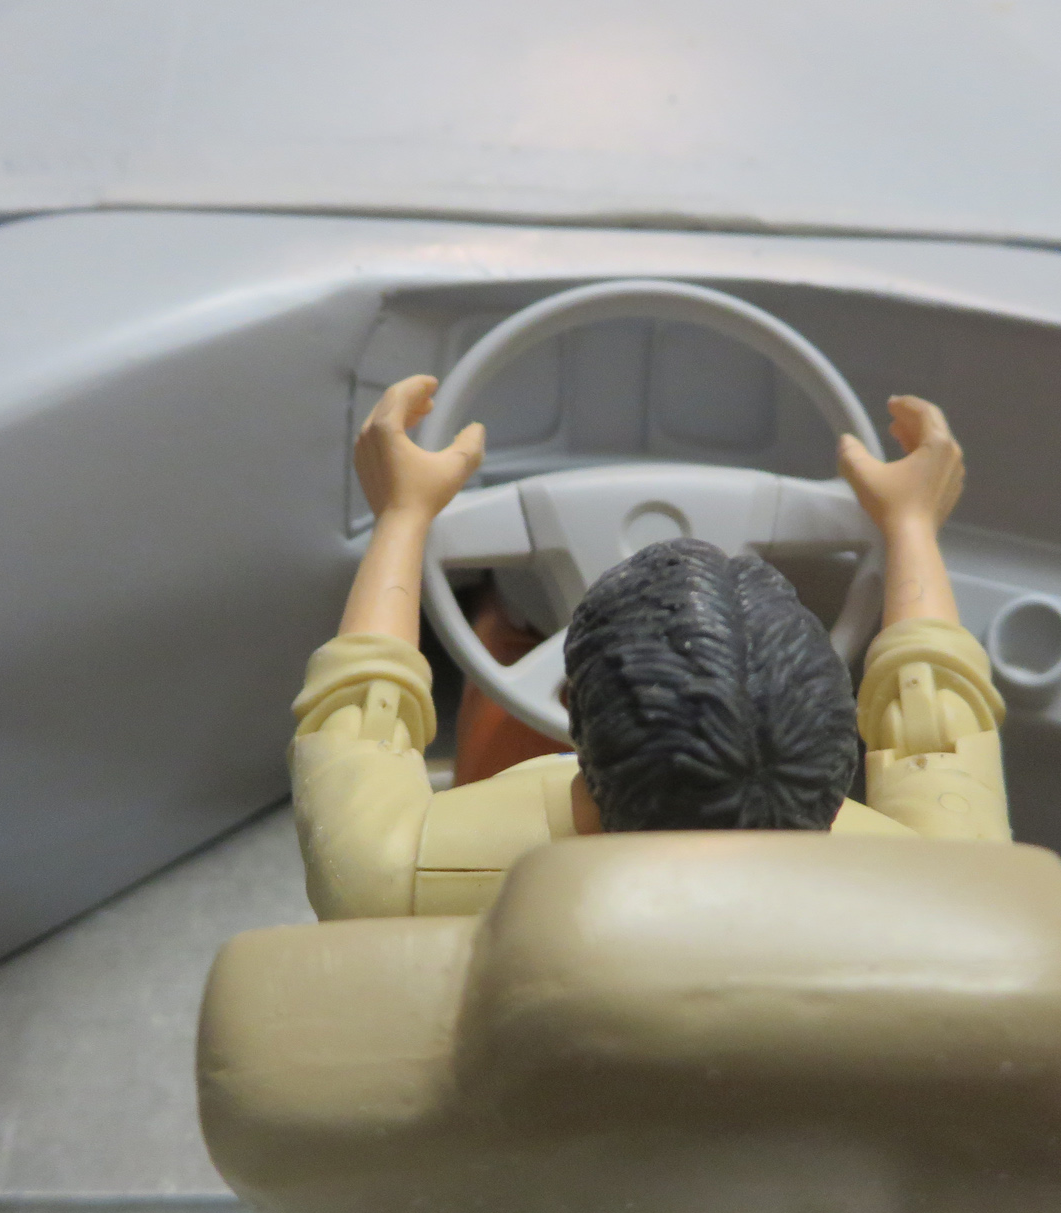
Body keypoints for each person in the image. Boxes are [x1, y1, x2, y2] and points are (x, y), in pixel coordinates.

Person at [289, 374, 1008, 921]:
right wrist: (910, 524)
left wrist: (403, 514)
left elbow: (359, 723)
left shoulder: (386, 876)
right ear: (834, 742)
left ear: (576, 714)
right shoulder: (954, 893)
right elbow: (933, 733)